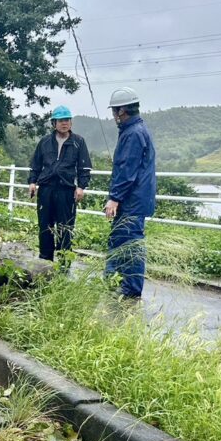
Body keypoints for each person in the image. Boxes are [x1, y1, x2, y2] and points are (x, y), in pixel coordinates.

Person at [104, 87, 156, 299]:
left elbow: (127, 170)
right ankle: (116, 284)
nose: (114, 115)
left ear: (122, 110)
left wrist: (115, 198)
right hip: (136, 200)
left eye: (115, 110)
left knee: (129, 245)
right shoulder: (135, 129)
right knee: (122, 242)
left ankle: (129, 291)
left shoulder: (133, 133)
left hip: (130, 201)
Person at [27, 105, 93, 261]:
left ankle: (64, 264)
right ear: (53, 123)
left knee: (65, 227)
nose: (65, 123)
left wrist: (81, 187)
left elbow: (84, 167)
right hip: (46, 190)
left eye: (67, 120)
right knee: (45, 227)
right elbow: (36, 164)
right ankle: (45, 261)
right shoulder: (44, 142)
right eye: (61, 120)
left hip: (66, 190)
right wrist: (32, 182)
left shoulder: (78, 142)